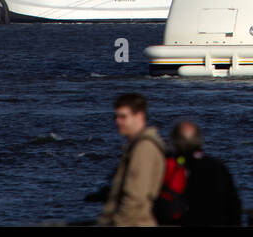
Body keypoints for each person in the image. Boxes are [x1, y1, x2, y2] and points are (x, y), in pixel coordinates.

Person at [98, 93, 166, 226]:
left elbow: (136, 197)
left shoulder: (144, 148)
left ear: (139, 116)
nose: (118, 121)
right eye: (116, 117)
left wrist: (118, 222)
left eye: (123, 117)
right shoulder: (136, 146)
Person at [158, 122, 241, 227]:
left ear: (174, 142)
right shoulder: (217, 167)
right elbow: (234, 208)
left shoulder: (167, 166)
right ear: (200, 141)